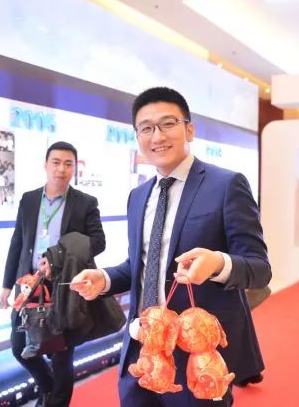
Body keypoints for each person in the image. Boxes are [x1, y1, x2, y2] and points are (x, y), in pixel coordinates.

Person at [70, 87, 271, 406]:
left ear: (189, 130)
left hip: (197, 356)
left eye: (167, 124)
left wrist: (218, 263)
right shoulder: (138, 196)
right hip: (142, 350)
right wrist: (104, 279)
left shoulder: (226, 185)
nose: (157, 136)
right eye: (146, 128)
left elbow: (259, 268)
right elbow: (142, 266)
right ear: (137, 136)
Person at [0, 141, 106, 407]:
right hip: (28, 285)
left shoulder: (85, 203)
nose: (61, 169)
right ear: (45, 165)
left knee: (61, 356)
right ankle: (47, 389)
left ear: (75, 168)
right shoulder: (29, 200)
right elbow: (17, 242)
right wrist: (6, 285)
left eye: (68, 164)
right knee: (20, 348)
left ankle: (55, 401)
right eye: (56, 162)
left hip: (64, 288)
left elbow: (98, 241)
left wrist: (59, 255)